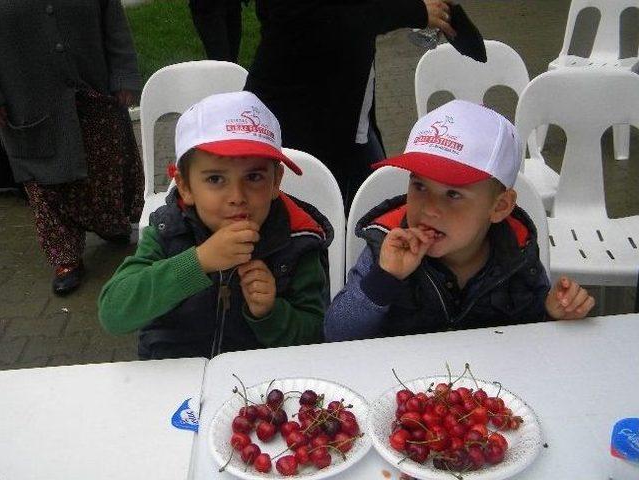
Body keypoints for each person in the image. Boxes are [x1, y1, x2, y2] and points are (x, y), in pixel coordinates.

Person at [325, 100, 595, 341]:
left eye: (453, 193)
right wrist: (384, 279)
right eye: (419, 186)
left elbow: (530, 338)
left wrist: (553, 313)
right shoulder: (388, 244)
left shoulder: (516, 253)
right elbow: (337, 333)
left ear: (499, 206)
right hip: (401, 387)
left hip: (485, 388)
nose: (429, 208)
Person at [99, 91, 331, 360]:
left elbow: (317, 338)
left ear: (276, 181)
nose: (237, 197)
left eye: (254, 176)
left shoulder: (298, 241)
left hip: (256, 386)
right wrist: (197, 262)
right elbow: (113, 313)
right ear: (185, 187)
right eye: (215, 179)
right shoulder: (168, 230)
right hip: (173, 379)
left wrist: (271, 313)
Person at [245, 0, 456, 210]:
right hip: (297, 117)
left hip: (351, 116)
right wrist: (411, 10)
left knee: (375, 211)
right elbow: (313, 18)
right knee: (314, 217)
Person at [0, 0, 143, 295]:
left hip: (92, 86)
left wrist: (123, 75)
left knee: (103, 169)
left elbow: (113, 21)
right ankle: (66, 257)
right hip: (26, 98)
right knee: (45, 182)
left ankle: (106, 220)